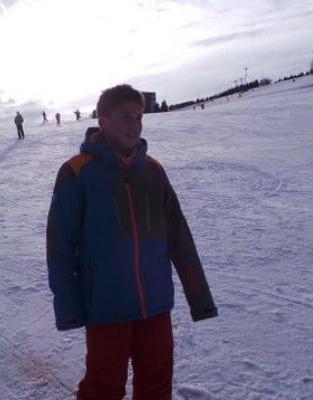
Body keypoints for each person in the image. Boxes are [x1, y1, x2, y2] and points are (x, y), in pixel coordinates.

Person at [46, 84, 217, 400]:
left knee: (157, 385)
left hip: (156, 304)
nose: (135, 125)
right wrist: (67, 306)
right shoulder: (78, 172)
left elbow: (178, 235)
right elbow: (60, 244)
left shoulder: (153, 170)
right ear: (103, 121)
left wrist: (199, 296)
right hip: (106, 307)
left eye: (139, 117)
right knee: (104, 388)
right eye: (126, 117)